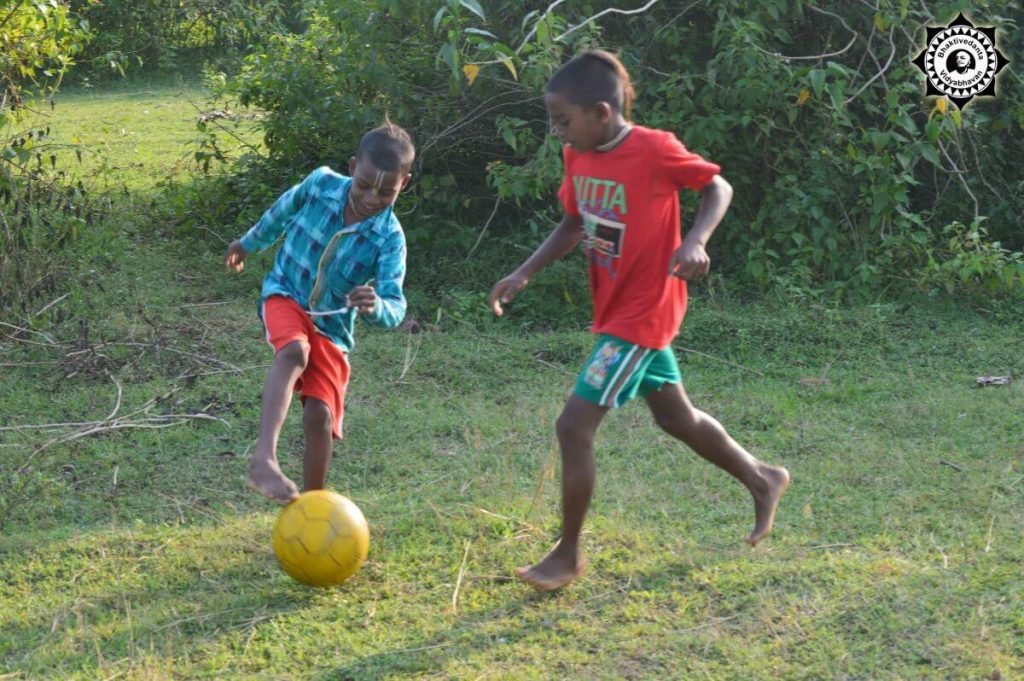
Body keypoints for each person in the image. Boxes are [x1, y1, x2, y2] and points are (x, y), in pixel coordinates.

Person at [487, 50, 790, 591]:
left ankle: (567, 554)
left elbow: (717, 186)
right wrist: (523, 271)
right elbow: (572, 223)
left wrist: (695, 240)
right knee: (677, 418)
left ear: (601, 113)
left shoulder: (653, 149)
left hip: (645, 312)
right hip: (616, 310)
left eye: (563, 120)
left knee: (573, 425)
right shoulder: (578, 156)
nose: (557, 132)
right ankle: (762, 477)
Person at [225, 120, 414, 503]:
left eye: (386, 192)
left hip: (332, 328)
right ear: (352, 167)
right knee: (294, 351)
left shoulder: (390, 238)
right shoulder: (320, 185)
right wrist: (246, 244)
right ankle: (264, 460)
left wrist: (377, 306)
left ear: (404, 184)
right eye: (364, 185)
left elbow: (395, 305)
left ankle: (312, 505)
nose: (372, 198)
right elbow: (279, 213)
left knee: (320, 416)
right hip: (286, 293)